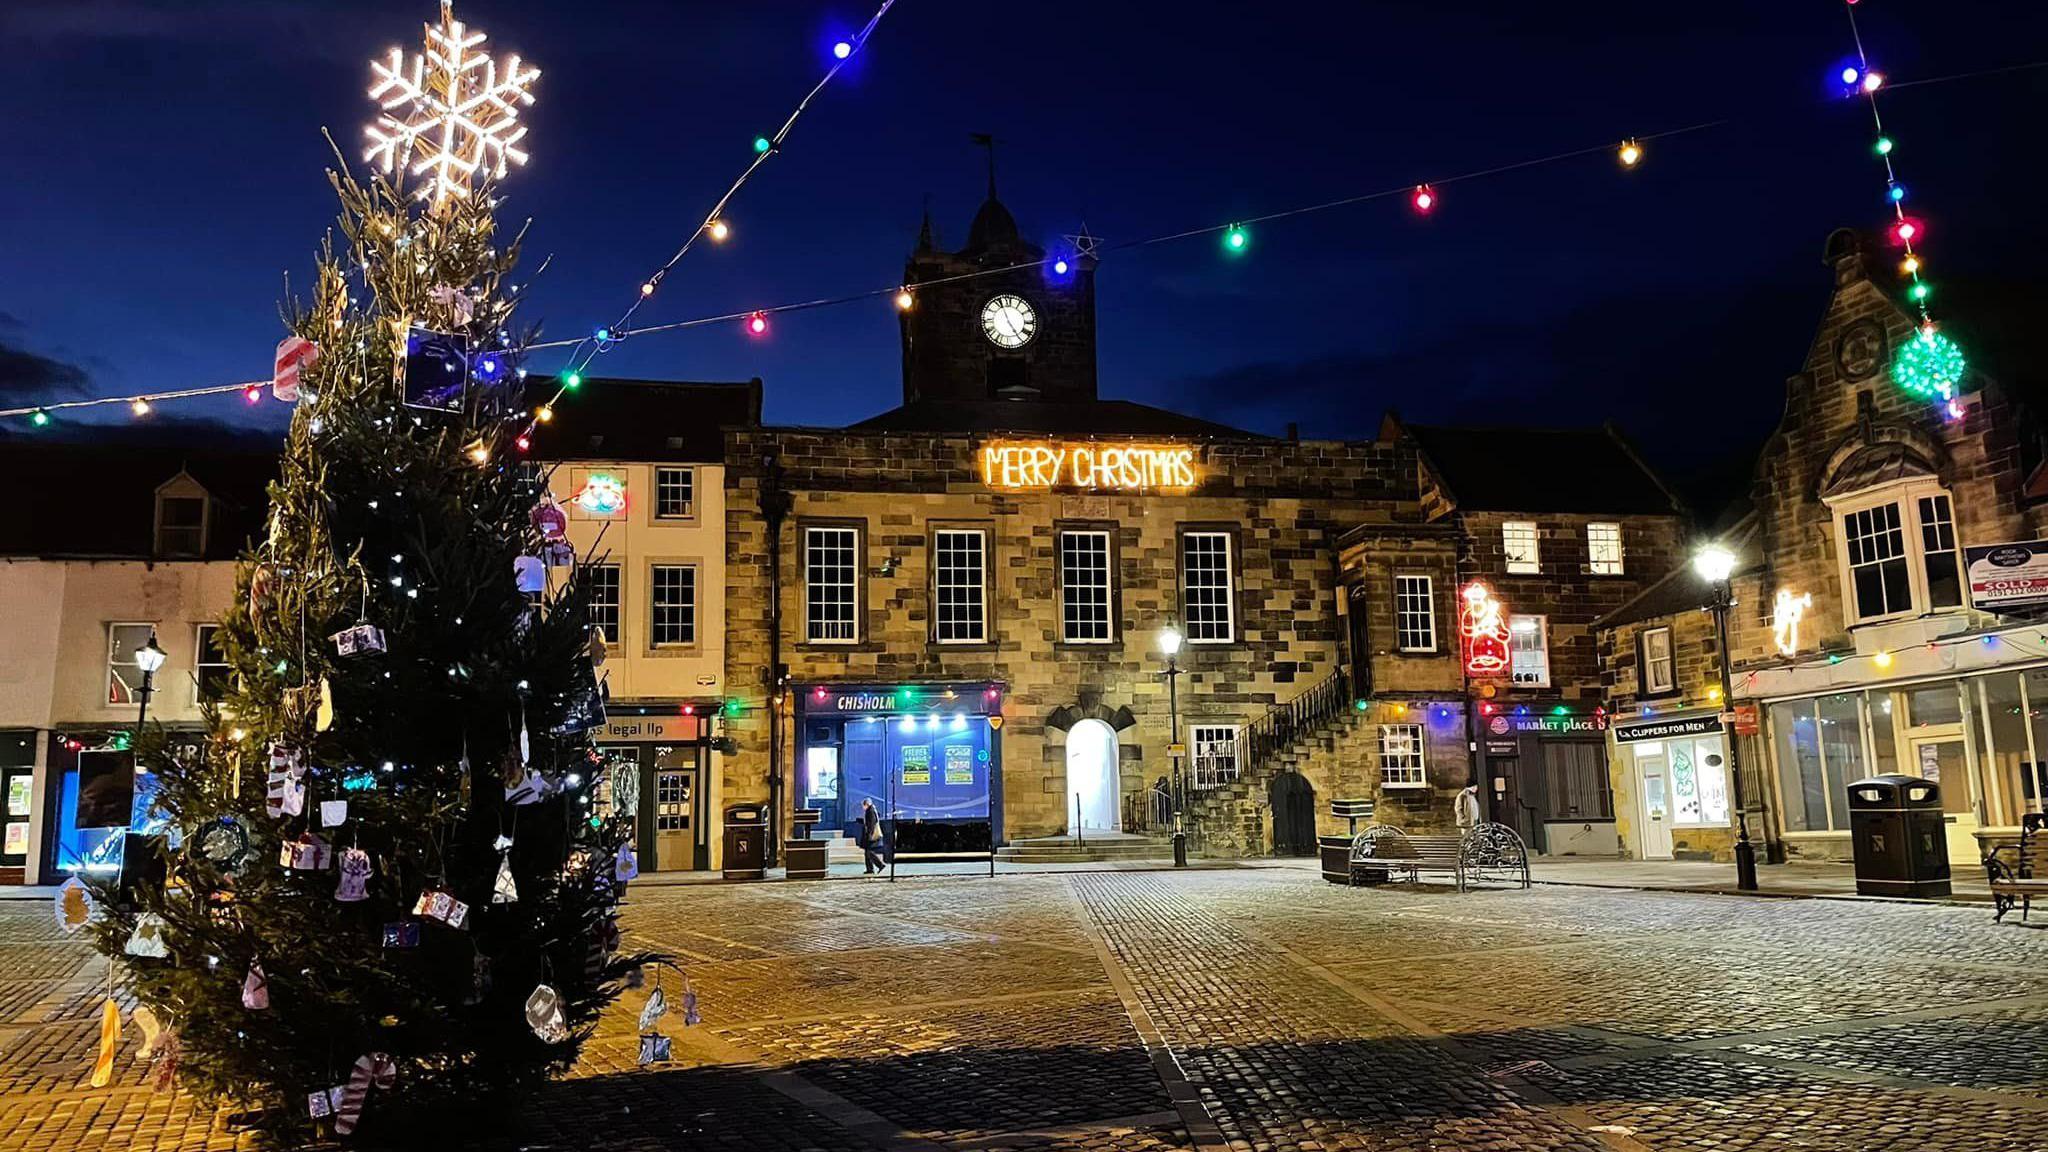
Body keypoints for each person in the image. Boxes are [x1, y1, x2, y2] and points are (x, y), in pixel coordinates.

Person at [859, 798, 886, 875]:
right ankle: (870, 869)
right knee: (867, 852)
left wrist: (869, 835)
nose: (862, 808)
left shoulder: (870, 811)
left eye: (863, 806)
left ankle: (880, 865)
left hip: (871, 835)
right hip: (869, 834)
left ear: (866, 804)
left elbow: (871, 824)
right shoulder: (871, 810)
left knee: (869, 852)